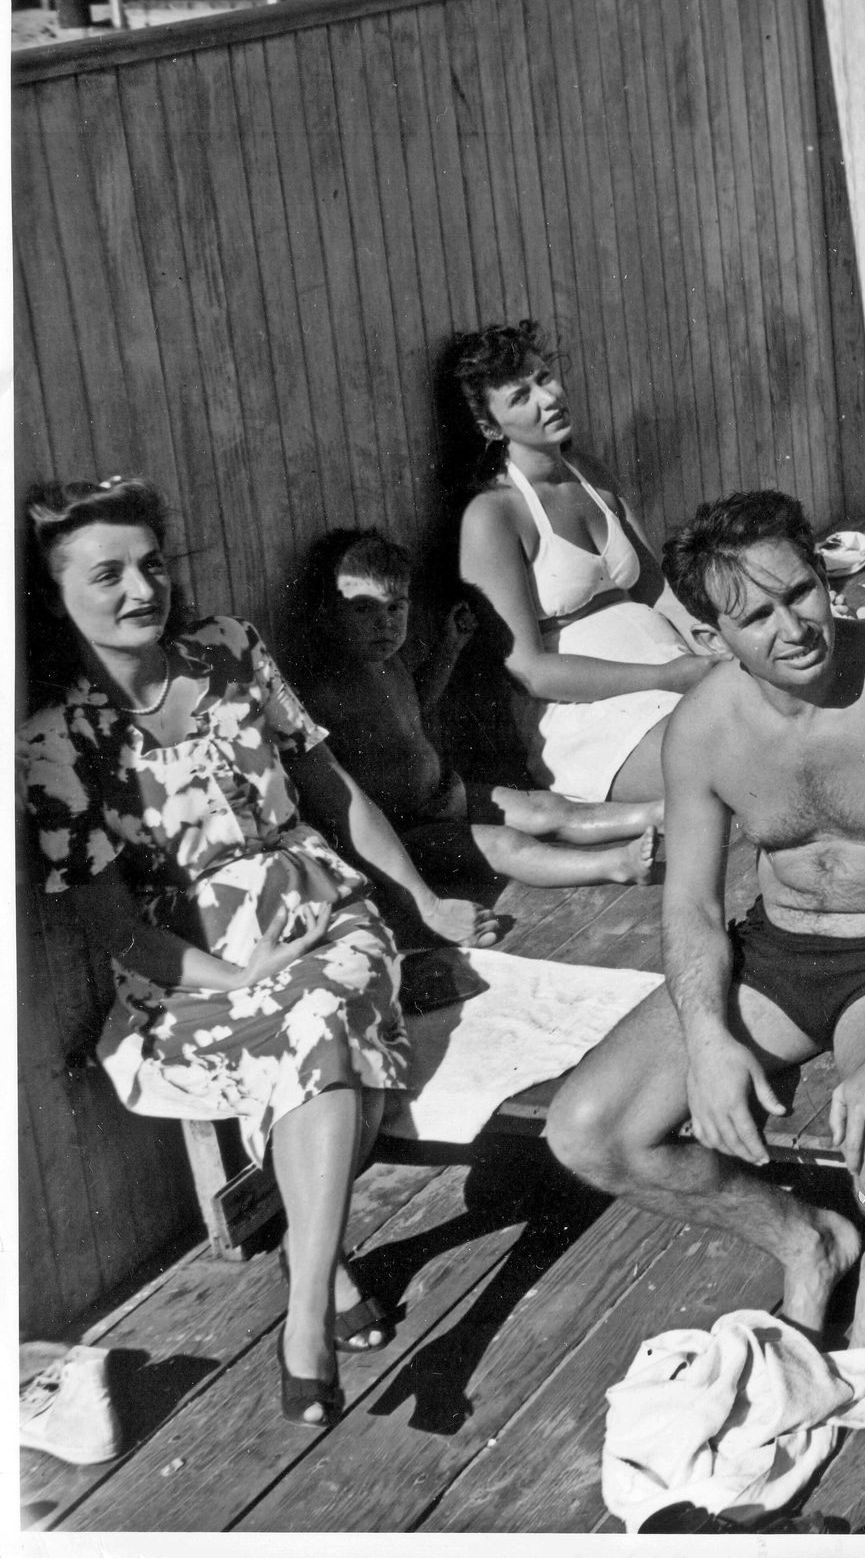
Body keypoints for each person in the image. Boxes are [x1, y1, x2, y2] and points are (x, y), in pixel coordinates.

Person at [16, 479, 498, 1431]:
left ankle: (305, 1319)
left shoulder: (230, 650)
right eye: (107, 575)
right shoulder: (52, 743)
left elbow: (332, 786)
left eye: (152, 564)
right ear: (54, 595)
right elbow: (119, 932)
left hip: (321, 915)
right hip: (190, 968)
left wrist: (420, 901)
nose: (141, 589)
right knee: (325, 1045)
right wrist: (238, 976)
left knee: (323, 1006)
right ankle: (322, 1265)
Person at [544, 491, 865, 1352]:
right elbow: (692, 903)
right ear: (713, 638)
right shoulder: (701, 729)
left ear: (825, 578)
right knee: (589, 1133)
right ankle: (804, 1239)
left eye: (800, 593)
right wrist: (708, 1038)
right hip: (782, 950)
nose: (793, 628)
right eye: (756, 617)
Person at [295, 528, 663, 889]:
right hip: (403, 832)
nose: (385, 623)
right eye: (363, 609)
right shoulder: (328, 688)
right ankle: (615, 864)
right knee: (506, 845)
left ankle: (655, 813)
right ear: (327, 617)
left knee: (545, 807)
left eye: (395, 607)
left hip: (445, 794)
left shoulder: (389, 663)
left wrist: (450, 647)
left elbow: (415, 706)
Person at [451, 321, 720, 804]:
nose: (548, 398)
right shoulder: (492, 516)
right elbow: (528, 670)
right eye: (521, 397)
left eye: (544, 377)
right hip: (589, 715)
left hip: (677, 666)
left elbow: (654, 589)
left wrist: (712, 638)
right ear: (490, 428)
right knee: (730, 758)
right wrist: (667, 678)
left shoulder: (588, 472)